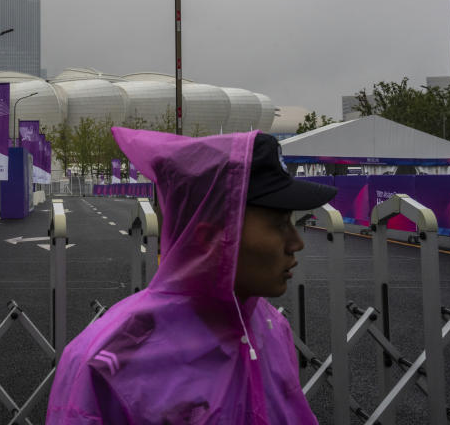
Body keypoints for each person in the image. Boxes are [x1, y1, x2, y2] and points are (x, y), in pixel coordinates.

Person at [45, 128, 337, 424]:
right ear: (210, 238)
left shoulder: (272, 328)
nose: (296, 243)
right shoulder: (107, 363)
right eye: (278, 224)